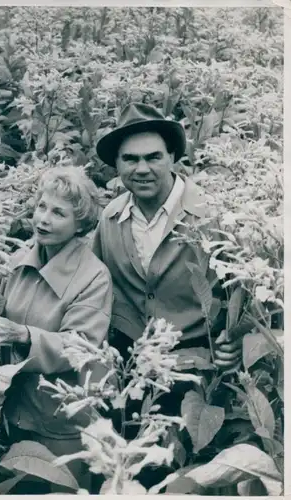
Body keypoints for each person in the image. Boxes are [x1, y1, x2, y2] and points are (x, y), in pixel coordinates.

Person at [93, 102, 242, 418]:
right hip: (128, 367)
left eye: (153, 157)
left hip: (197, 368)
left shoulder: (212, 215)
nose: (142, 169)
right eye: (130, 159)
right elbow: (92, 286)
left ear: (173, 157)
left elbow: (247, 292)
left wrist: (237, 338)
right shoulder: (110, 218)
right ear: (117, 165)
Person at [0, 166, 113, 493]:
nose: (44, 219)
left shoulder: (94, 277)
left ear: (80, 224)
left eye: (58, 213)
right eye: (41, 207)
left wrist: (21, 334)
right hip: (8, 411)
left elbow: (81, 345)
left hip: (59, 420)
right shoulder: (20, 257)